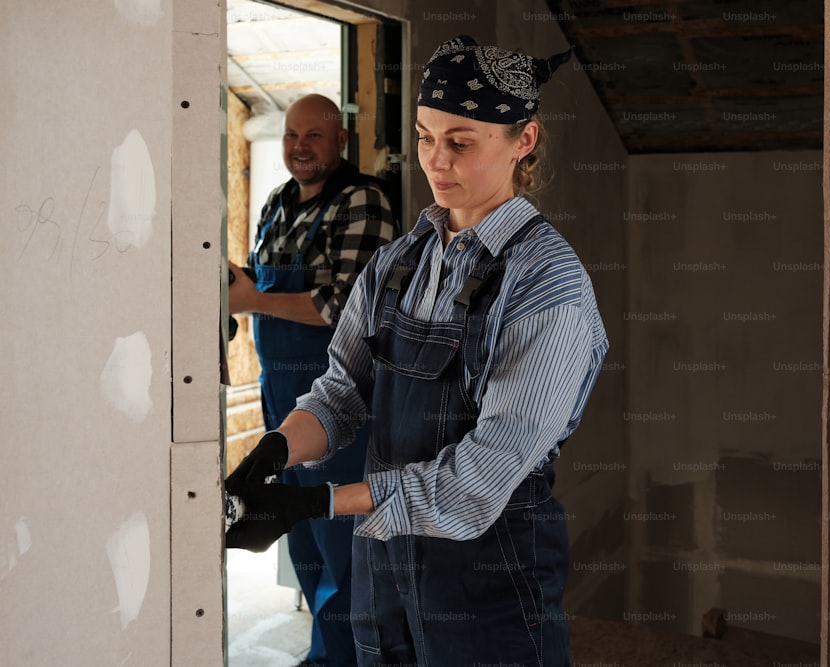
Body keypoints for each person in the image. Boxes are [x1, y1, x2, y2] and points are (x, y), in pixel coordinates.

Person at [226, 36, 608, 666]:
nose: (437, 160)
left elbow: (478, 481)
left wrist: (318, 502)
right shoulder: (398, 263)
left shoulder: (548, 285)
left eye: (461, 142)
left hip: (489, 583)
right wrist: (277, 448)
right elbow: (342, 394)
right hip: (387, 571)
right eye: (426, 137)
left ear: (524, 141)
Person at [228, 93, 398, 667]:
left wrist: (253, 298)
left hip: (339, 398)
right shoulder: (278, 201)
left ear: (340, 143)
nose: (300, 146)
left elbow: (343, 307)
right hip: (280, 389)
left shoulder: (363, 201)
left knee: (341, 540)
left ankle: (344, 660)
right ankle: (324, 654)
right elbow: (264, 287)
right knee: (296, 533)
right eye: (292, 136)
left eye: (314, 136)